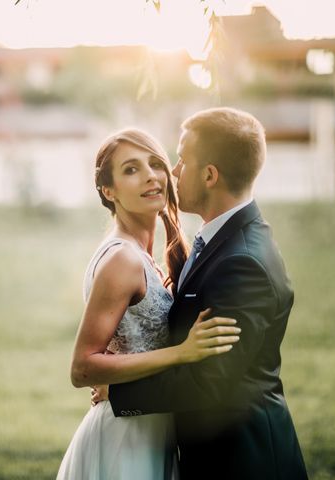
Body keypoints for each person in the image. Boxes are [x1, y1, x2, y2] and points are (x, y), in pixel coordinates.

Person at [95, 108, 308, 479]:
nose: (173, 172)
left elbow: (209, 384)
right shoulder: (220, 238)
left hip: (242, 462)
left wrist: (118, 394)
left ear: (210, 175)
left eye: (181, 161)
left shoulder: (242, 263)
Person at [57, 128, 241, 479]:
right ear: (108, 191)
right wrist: (182, 353)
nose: (150, 176)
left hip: (153, 429)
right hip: (125, 439)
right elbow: (82, 369)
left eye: (155, 163)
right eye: (131, 169)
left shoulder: (143, 256)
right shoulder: (122, 260)